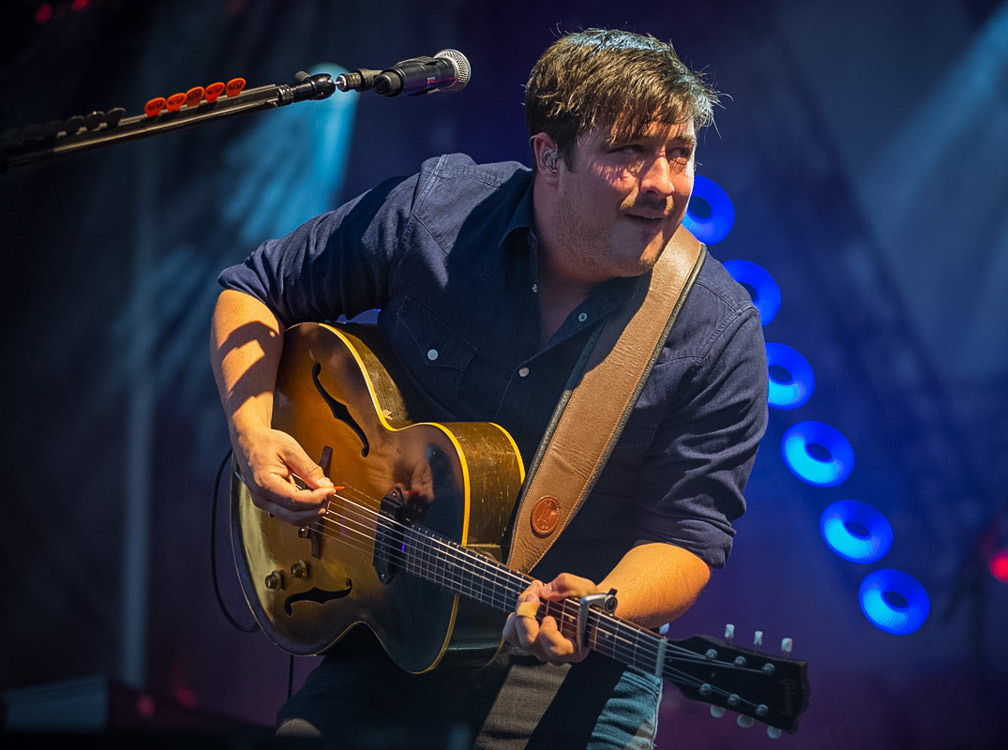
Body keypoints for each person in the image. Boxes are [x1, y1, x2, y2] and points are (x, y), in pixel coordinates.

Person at [210, 28, 768, 749]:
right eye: (629, 152)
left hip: (576, 668)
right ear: (549, 157)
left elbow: (687, 536)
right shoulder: (434, 213)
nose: (664, 184)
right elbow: (256, 289)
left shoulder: (715, 329)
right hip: (393, 628)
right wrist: (254, 435)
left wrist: (601, 607)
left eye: (680, 153)